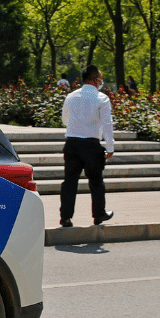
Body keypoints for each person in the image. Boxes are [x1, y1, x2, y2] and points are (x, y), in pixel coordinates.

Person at [59, 65, 115, 228]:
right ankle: (98, 215)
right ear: (95, 79)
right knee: (96, 180)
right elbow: (107, 124)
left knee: (69, 181)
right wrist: (110, 146)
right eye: (100, 78)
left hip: (72, 143)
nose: (101, 82)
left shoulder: (71, 96)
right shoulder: (102, 98)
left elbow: (64, 120)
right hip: (91, 144)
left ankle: (66, 218)